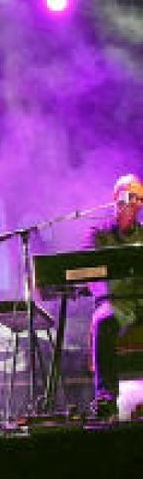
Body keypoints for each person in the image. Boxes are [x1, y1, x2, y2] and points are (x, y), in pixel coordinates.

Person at [89, 173, 143, 420]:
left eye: (138, 198)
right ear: (115, 198)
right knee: (103, 320)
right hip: (116, 302)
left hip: (140, 299)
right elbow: (86, 271)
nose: (133, 203)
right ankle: (106, 399)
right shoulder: (99, 234)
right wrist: (105, 295)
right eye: (128, 196)